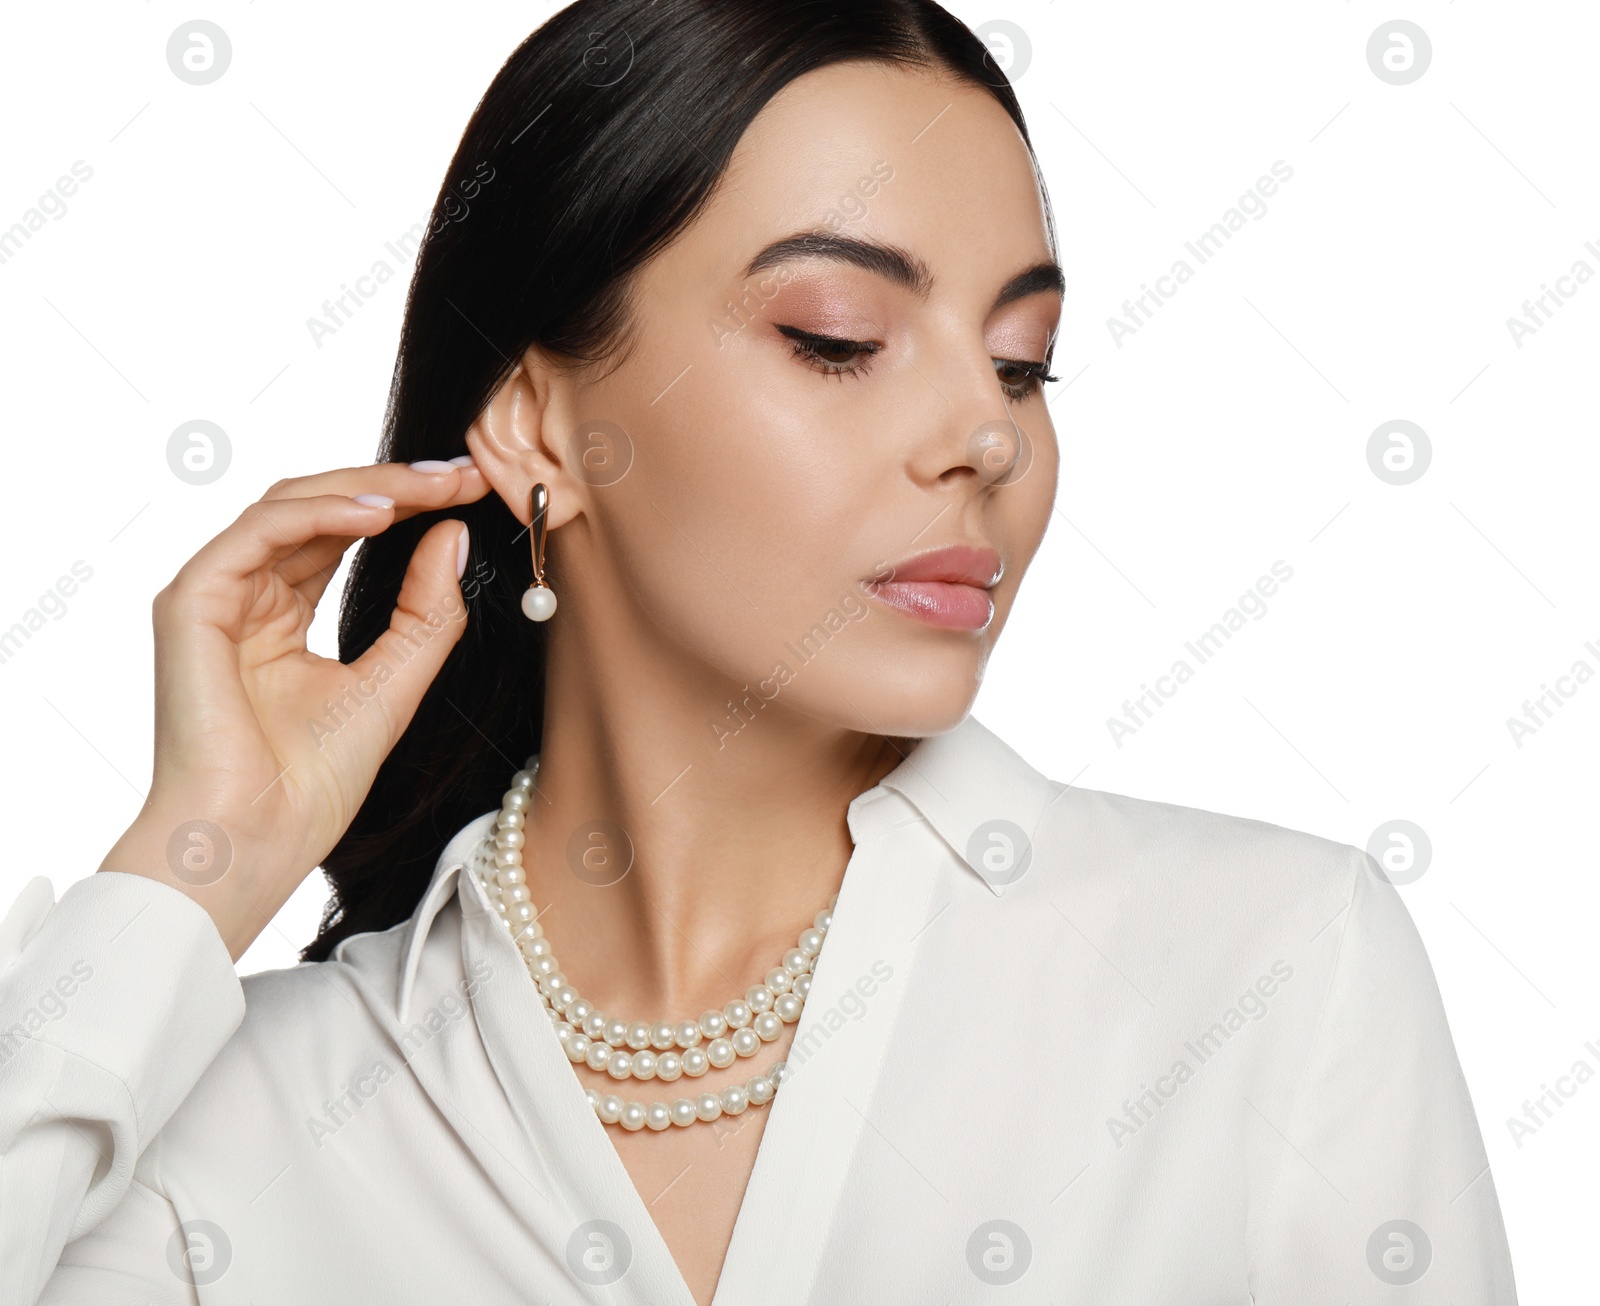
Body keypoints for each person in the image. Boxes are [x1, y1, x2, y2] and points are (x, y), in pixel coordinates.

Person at [0, 1, 1517, 1302]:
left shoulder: (1268, 975)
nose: (986, 432)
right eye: (841, 338)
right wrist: (193, 868)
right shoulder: (226, 1111)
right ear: (541, 426)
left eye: (1021, 361)